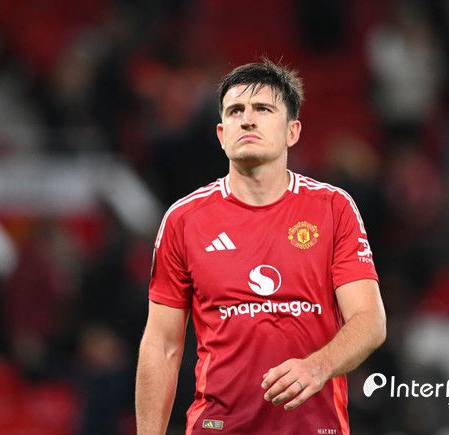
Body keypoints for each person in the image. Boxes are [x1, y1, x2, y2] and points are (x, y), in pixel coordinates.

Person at [136, 59, 386, 434]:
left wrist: (317, 366)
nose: (247, 120)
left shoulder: (333, 208)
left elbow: (369, 321)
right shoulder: (184, 220)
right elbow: (161, 345)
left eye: (263, 109)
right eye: (235, 111)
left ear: (292, 131)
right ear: (222, 134)